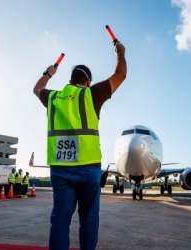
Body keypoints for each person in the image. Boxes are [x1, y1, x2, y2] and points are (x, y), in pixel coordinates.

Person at [33, 41, 127, 250]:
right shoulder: (92, 94)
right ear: (88, 81)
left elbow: (37, 88)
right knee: (89, 220)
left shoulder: (54, 97)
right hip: (88, 167)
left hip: (60, 169)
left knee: (59, 221)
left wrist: (48, 73)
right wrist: (120, 53)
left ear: (70, 80)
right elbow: (120, 75)